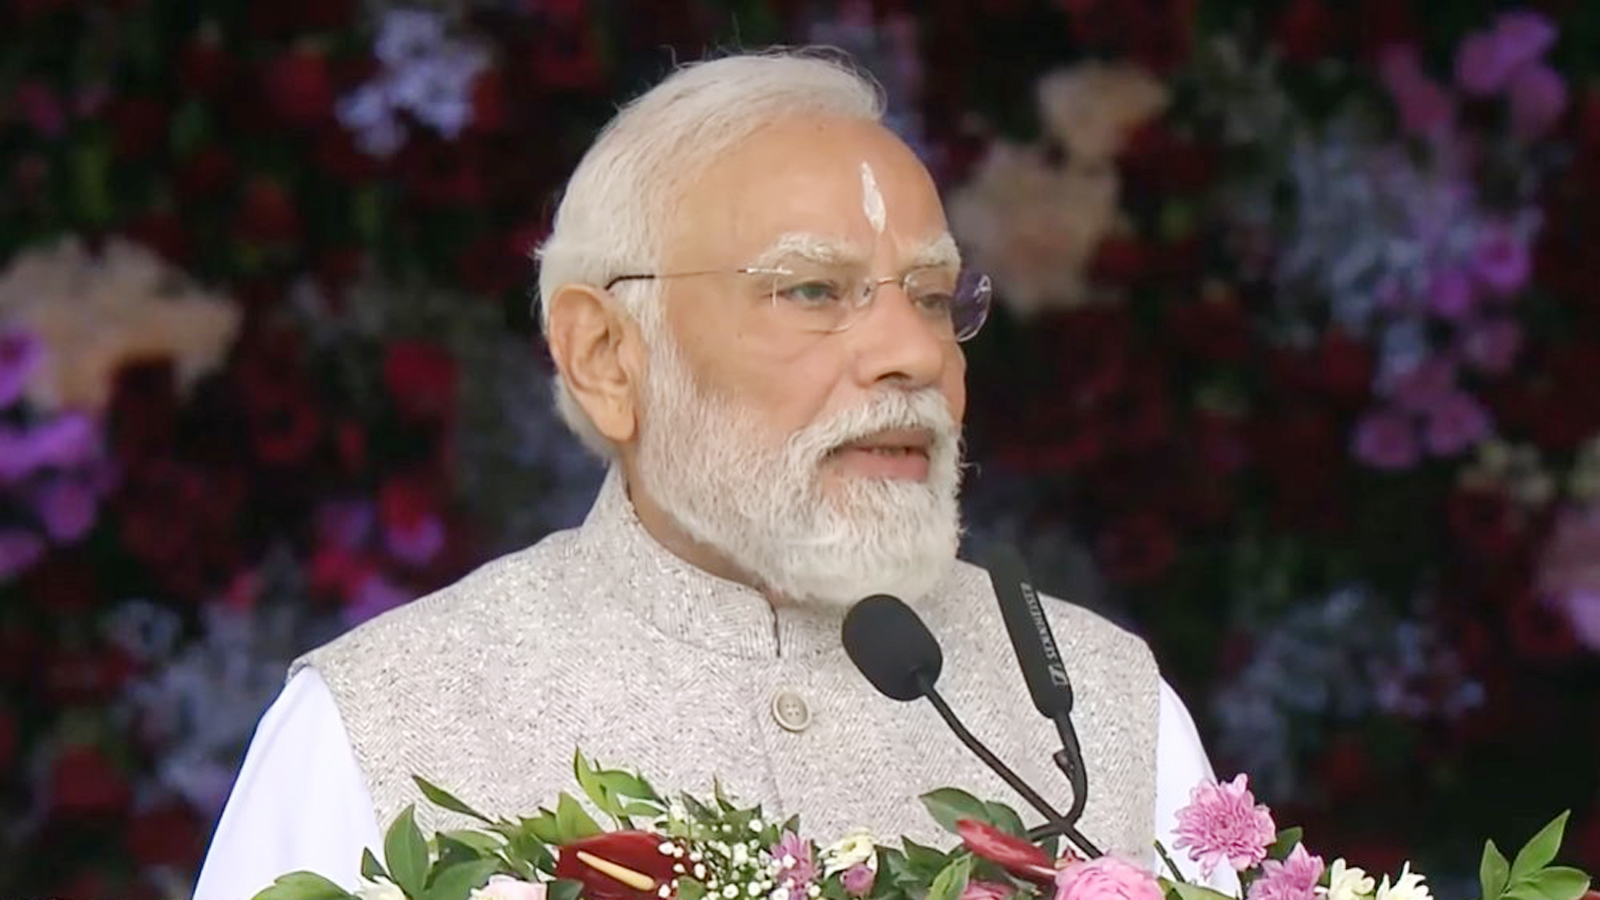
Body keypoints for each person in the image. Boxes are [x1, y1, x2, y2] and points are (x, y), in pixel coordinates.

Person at [194, 51, 1224, 900]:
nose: (912, 353)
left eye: (930, 295)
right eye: (815, 289)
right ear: (605, 356)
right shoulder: (385, 723)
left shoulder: (1100, 707)